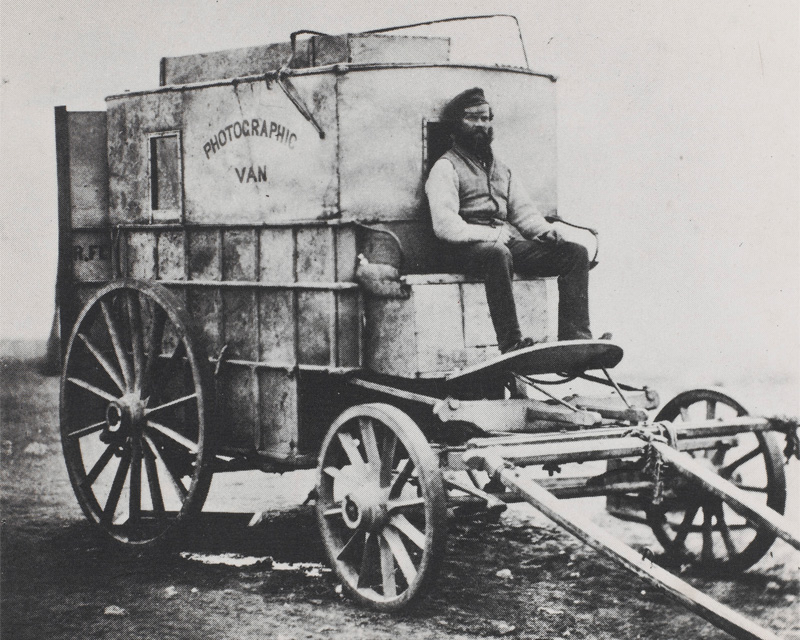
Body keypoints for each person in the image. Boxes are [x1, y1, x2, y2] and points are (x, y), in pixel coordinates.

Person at [425, 87, 598, 354]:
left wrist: (545, 232)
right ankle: (511, 343)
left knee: (575, 253)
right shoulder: (445, 167)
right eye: (472, 118)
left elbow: (523, 213)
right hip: (460, 249)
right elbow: (445, 225)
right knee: (497, 254)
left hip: (500, 244)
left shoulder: (501, 169)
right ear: (457, 125)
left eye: (485, 118)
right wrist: (487, 236)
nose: (480, 125)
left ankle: (576, 338)